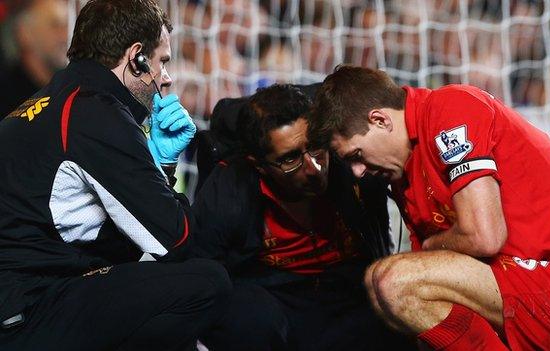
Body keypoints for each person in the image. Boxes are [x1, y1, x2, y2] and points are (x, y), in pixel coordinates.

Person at [307, 65, 550, 350]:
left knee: (394, 281)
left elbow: (485, 236)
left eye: (356, 155)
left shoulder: (449, 108)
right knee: (382, 289)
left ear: (380, 120)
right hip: (528, 292)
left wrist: (432, 245)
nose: (358, 171)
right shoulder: (403, 174)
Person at [0, 1, 231, 350]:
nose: (166, 78)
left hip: (21, 300)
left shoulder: (50, 101)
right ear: (137, 57)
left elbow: (117, 238)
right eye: (162, 61)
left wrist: (160, 166)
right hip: (29, 311)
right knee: (208, 282)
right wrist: (165, 167)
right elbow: (176, 240)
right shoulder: (95, 112)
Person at [192, 84, 411, 351]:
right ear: (259, 166)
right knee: (248, 319)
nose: (314, 168)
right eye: (290, 159)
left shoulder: (354, 163)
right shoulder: (228, 192)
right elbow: (202, 277)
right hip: (274, 297)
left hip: (348, 289)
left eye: (316, 146)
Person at [0, 0, 68, 119]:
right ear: (25, 34)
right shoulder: (5, 99)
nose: (65, 35)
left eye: (67, 25)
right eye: (55, 25)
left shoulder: (71, 90)